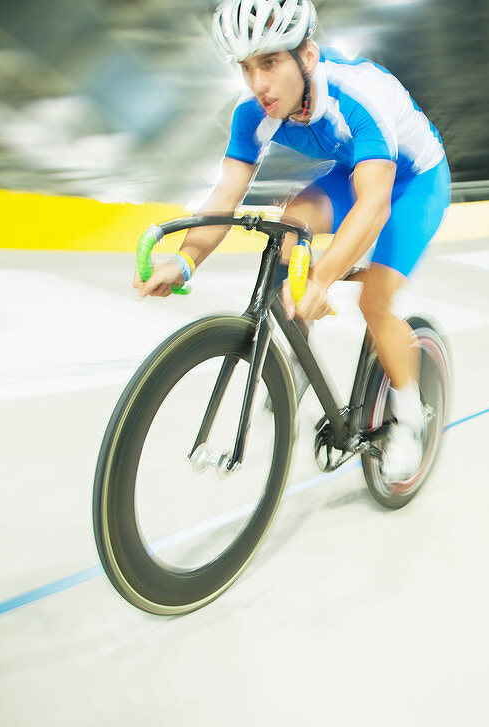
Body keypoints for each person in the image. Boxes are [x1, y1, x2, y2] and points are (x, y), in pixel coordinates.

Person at [135, 0, 451, 482]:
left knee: (373, 302)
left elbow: (375, 205)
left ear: (305, 55)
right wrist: (185, 263)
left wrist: (322, 277)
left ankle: (409, 418)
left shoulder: (357, 97)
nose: (258, 84)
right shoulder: (252, 114)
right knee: (290, 227)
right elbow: (225, 195)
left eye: (269, 62)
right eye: (246, 67)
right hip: (353, 171)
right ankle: (300, 359)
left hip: (415, 181)